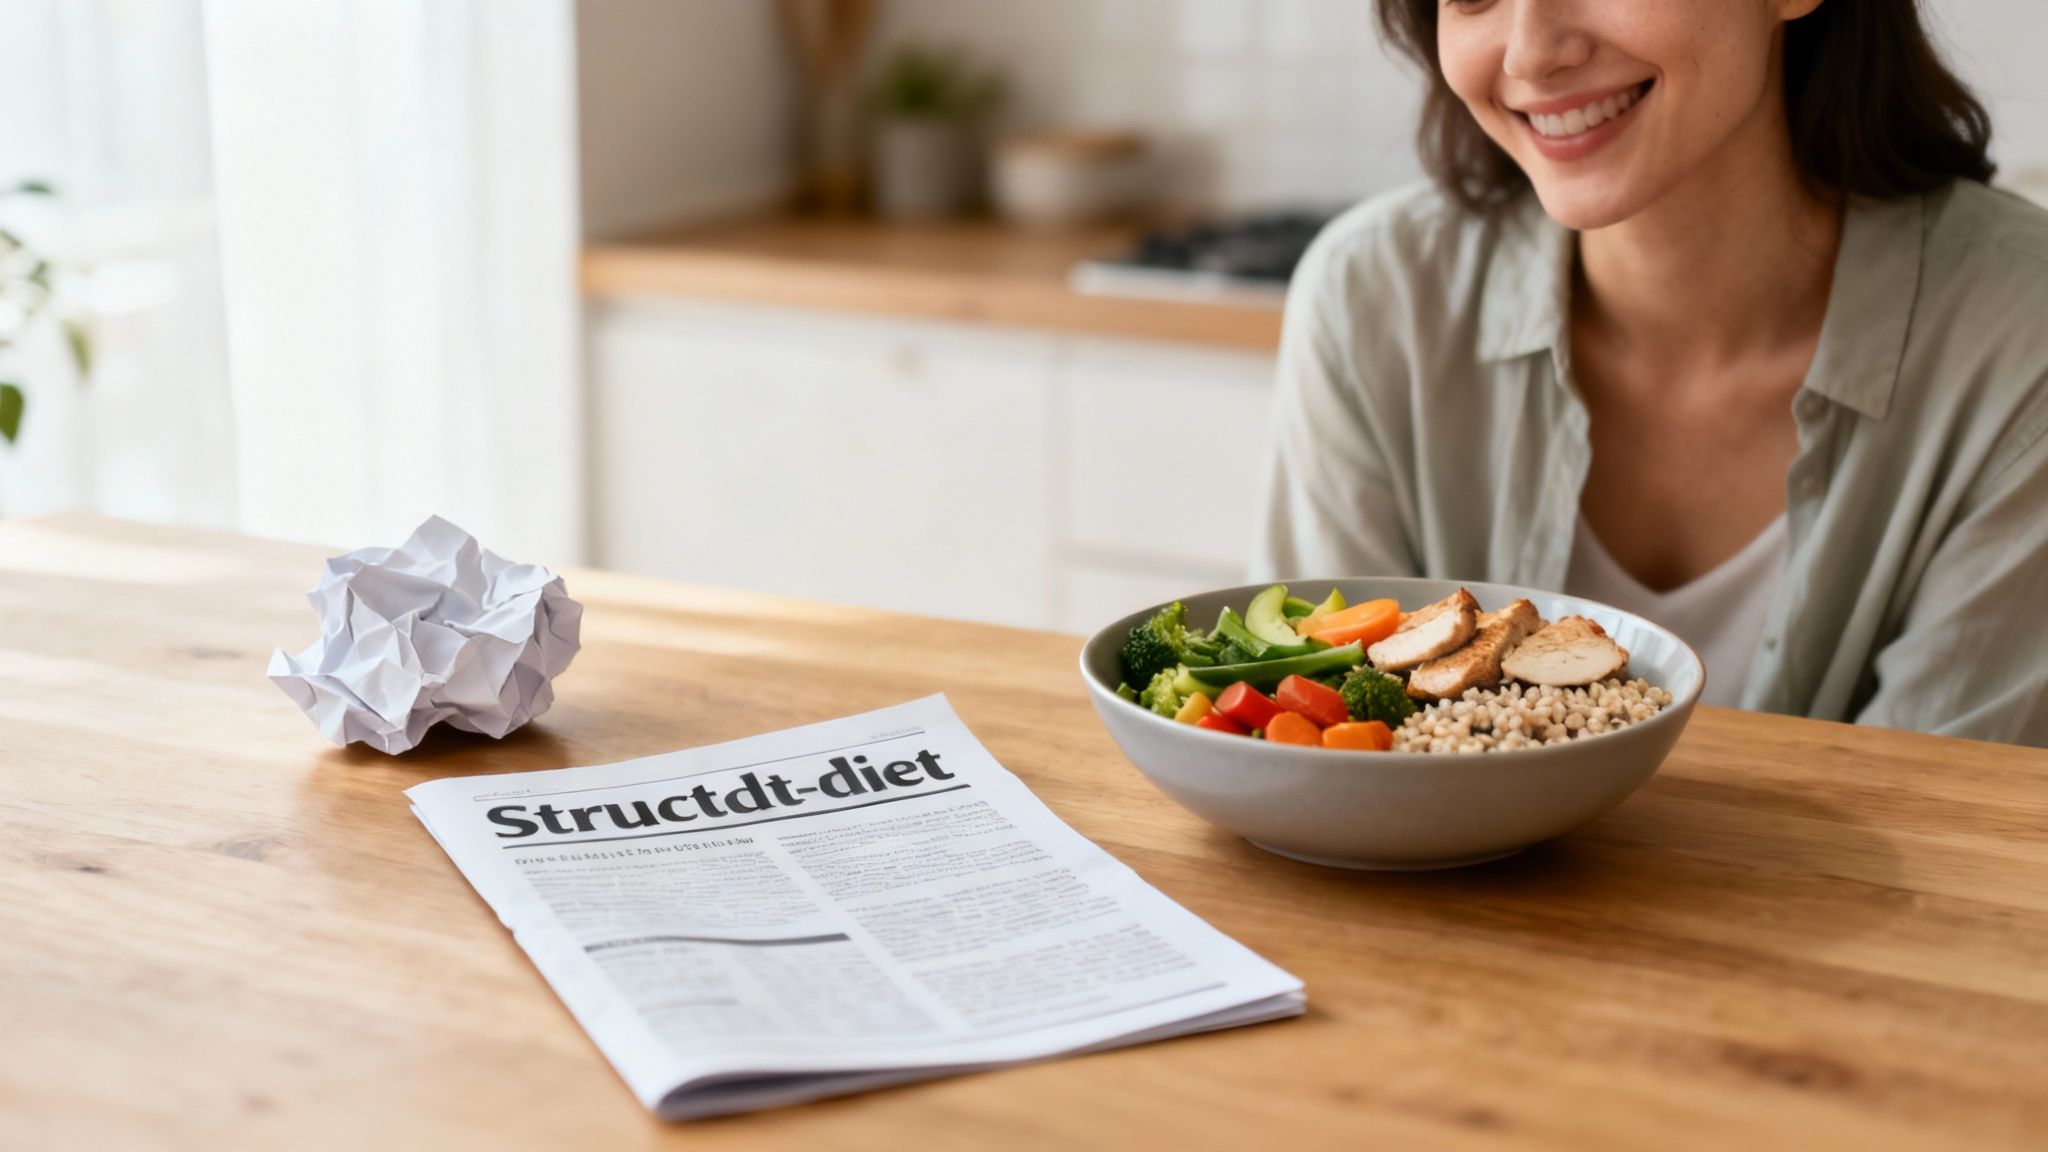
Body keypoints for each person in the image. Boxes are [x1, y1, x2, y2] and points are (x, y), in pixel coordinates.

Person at [1254, 0, 2048, 745]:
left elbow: (1941, 818)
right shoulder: (1372, 300)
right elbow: (1318, 758)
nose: (1530, 54)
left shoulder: (2020, 336)